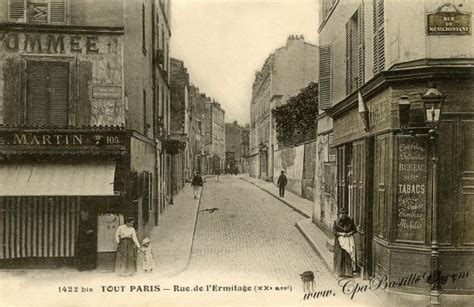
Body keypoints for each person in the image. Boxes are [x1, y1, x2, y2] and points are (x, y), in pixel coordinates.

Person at [333, 208, 358, 278]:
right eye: (341, 214)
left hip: (349, 240)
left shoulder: (350, 221)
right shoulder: (336, 222)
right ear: (339, 215)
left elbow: (354, 230)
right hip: (340, 242)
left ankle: (349, 272)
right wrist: (342, 234)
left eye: (345, 214)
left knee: (348, 255)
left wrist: (349, 233)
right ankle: (340, 272)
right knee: (340, 256)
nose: (343, 216)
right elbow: (334, 232)